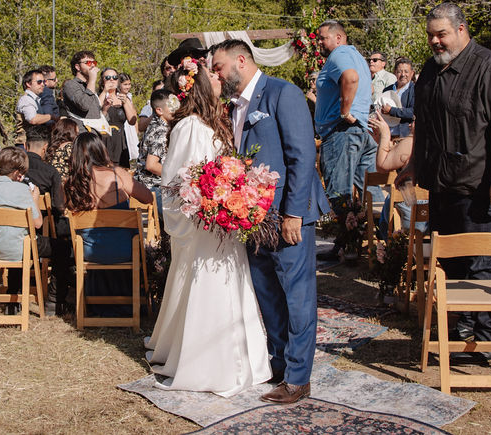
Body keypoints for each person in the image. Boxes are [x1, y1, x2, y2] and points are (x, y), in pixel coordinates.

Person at [403, 3, 491, 358]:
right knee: (451, 260)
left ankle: (489, 338)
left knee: (482, 262)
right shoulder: (430, 70)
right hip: (442, 185)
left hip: (480, 187)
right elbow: (424, 124)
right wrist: (414, 163)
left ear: (462, 29)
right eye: (430, 35)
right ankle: (464, 327)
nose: (434, 41)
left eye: (441, 34)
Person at [145, 56, 273, 398]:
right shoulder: (188, 127)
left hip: (223, 222)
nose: (220, 78)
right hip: (204, 225)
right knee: (210, 284)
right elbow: (177, 181)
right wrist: (210, 203)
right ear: (201, 86)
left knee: (232, 281)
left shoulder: (214, 122)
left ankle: (245, 358)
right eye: (214, 75)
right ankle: (207, 361)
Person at [210, 40, 329, 403]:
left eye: (218, 67)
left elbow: (302, 154)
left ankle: (298, 378)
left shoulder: (282, 93)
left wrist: (293, 213)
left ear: (241, 61)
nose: (215, 74)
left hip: (287, 214)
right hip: (253, 218)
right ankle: (278, 364)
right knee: (268, 295)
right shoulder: (233, 107)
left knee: (297, 296)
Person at [64, 132, 153, 318]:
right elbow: (147, 197)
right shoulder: (117, 175)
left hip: (89, 253)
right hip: (125, 250)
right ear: (100, 150)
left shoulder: (71, 184)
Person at [313, 20, 376, 260]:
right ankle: (377, 245)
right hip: (359, 131)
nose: (319, 43)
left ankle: (347, 249)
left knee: (339, 191)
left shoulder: (340, 54)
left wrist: (344, 110)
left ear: (338, 38)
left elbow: (350, 78)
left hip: (343, 131)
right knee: (369, 190)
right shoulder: (356, 56)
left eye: (322, 38)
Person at [0, 146, 60, 316]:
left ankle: (12, 300)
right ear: (16, 173)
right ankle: (55, 299)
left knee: (16, 237)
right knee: (62, 248)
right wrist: (34, 199)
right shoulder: (21, 190)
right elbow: (37, 223)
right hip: (19, 249)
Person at [24, 125, 70, 314]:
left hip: (16, 231)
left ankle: (18, 291)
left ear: (26, 146)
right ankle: (54, 298)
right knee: (65, 244)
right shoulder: (51, 172)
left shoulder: (15, 170)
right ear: (45, 149)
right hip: (41, 229)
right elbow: (59, 206)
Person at [134, 89, 173, 210]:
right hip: (153, 188)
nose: (176, 109)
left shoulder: (155, 124)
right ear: (159, 110)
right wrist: (175, 176)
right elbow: (151, 165)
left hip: (147, 185)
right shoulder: (160, 131)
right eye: (171, 106)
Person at [98, 67, 137, 168]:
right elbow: (96, 116)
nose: (111, 80)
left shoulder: (124, 97)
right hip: (103, 140)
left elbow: (132, 121)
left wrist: (125, 103)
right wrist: (105, 108)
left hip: (120, 141)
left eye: (115, 77)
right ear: (102, 80)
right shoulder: (98, 96)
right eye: (108, 77)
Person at [62, 50, 102, 128]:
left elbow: (96, 114)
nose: (92, 65)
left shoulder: (91, 86)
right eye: (88, 63)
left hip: (95, 136)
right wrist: (92, 80)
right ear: (77, 67)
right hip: (81, 134)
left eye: (94, 63)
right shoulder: (70, 85)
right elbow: (84, 105)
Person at [14, 69, 53, 148]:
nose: (42, 84)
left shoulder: (34, 100)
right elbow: (33, 119)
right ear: (28, 84)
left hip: (33, 144)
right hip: (24, 144)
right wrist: (51, 117)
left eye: (44, 82)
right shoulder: (26, 99)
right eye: (39, 82)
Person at [379, 57, 415, 138]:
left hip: (404, 135)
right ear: (395, 73)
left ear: (412, 73)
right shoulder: (387, 90)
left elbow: (413, 111)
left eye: (406, 72)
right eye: (399, 71)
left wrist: (392, 110)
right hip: (386, 135)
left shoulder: (415, 90)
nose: (403, 75)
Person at [118, 73, 140, 162]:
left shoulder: (129, 97)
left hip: (132, 129)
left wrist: (136, 131)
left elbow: (134, 115)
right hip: (124, 129)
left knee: (134, 153)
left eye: (129, 84)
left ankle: (133, 173)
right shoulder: (117, 97)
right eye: (125, 84)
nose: (128, 87)